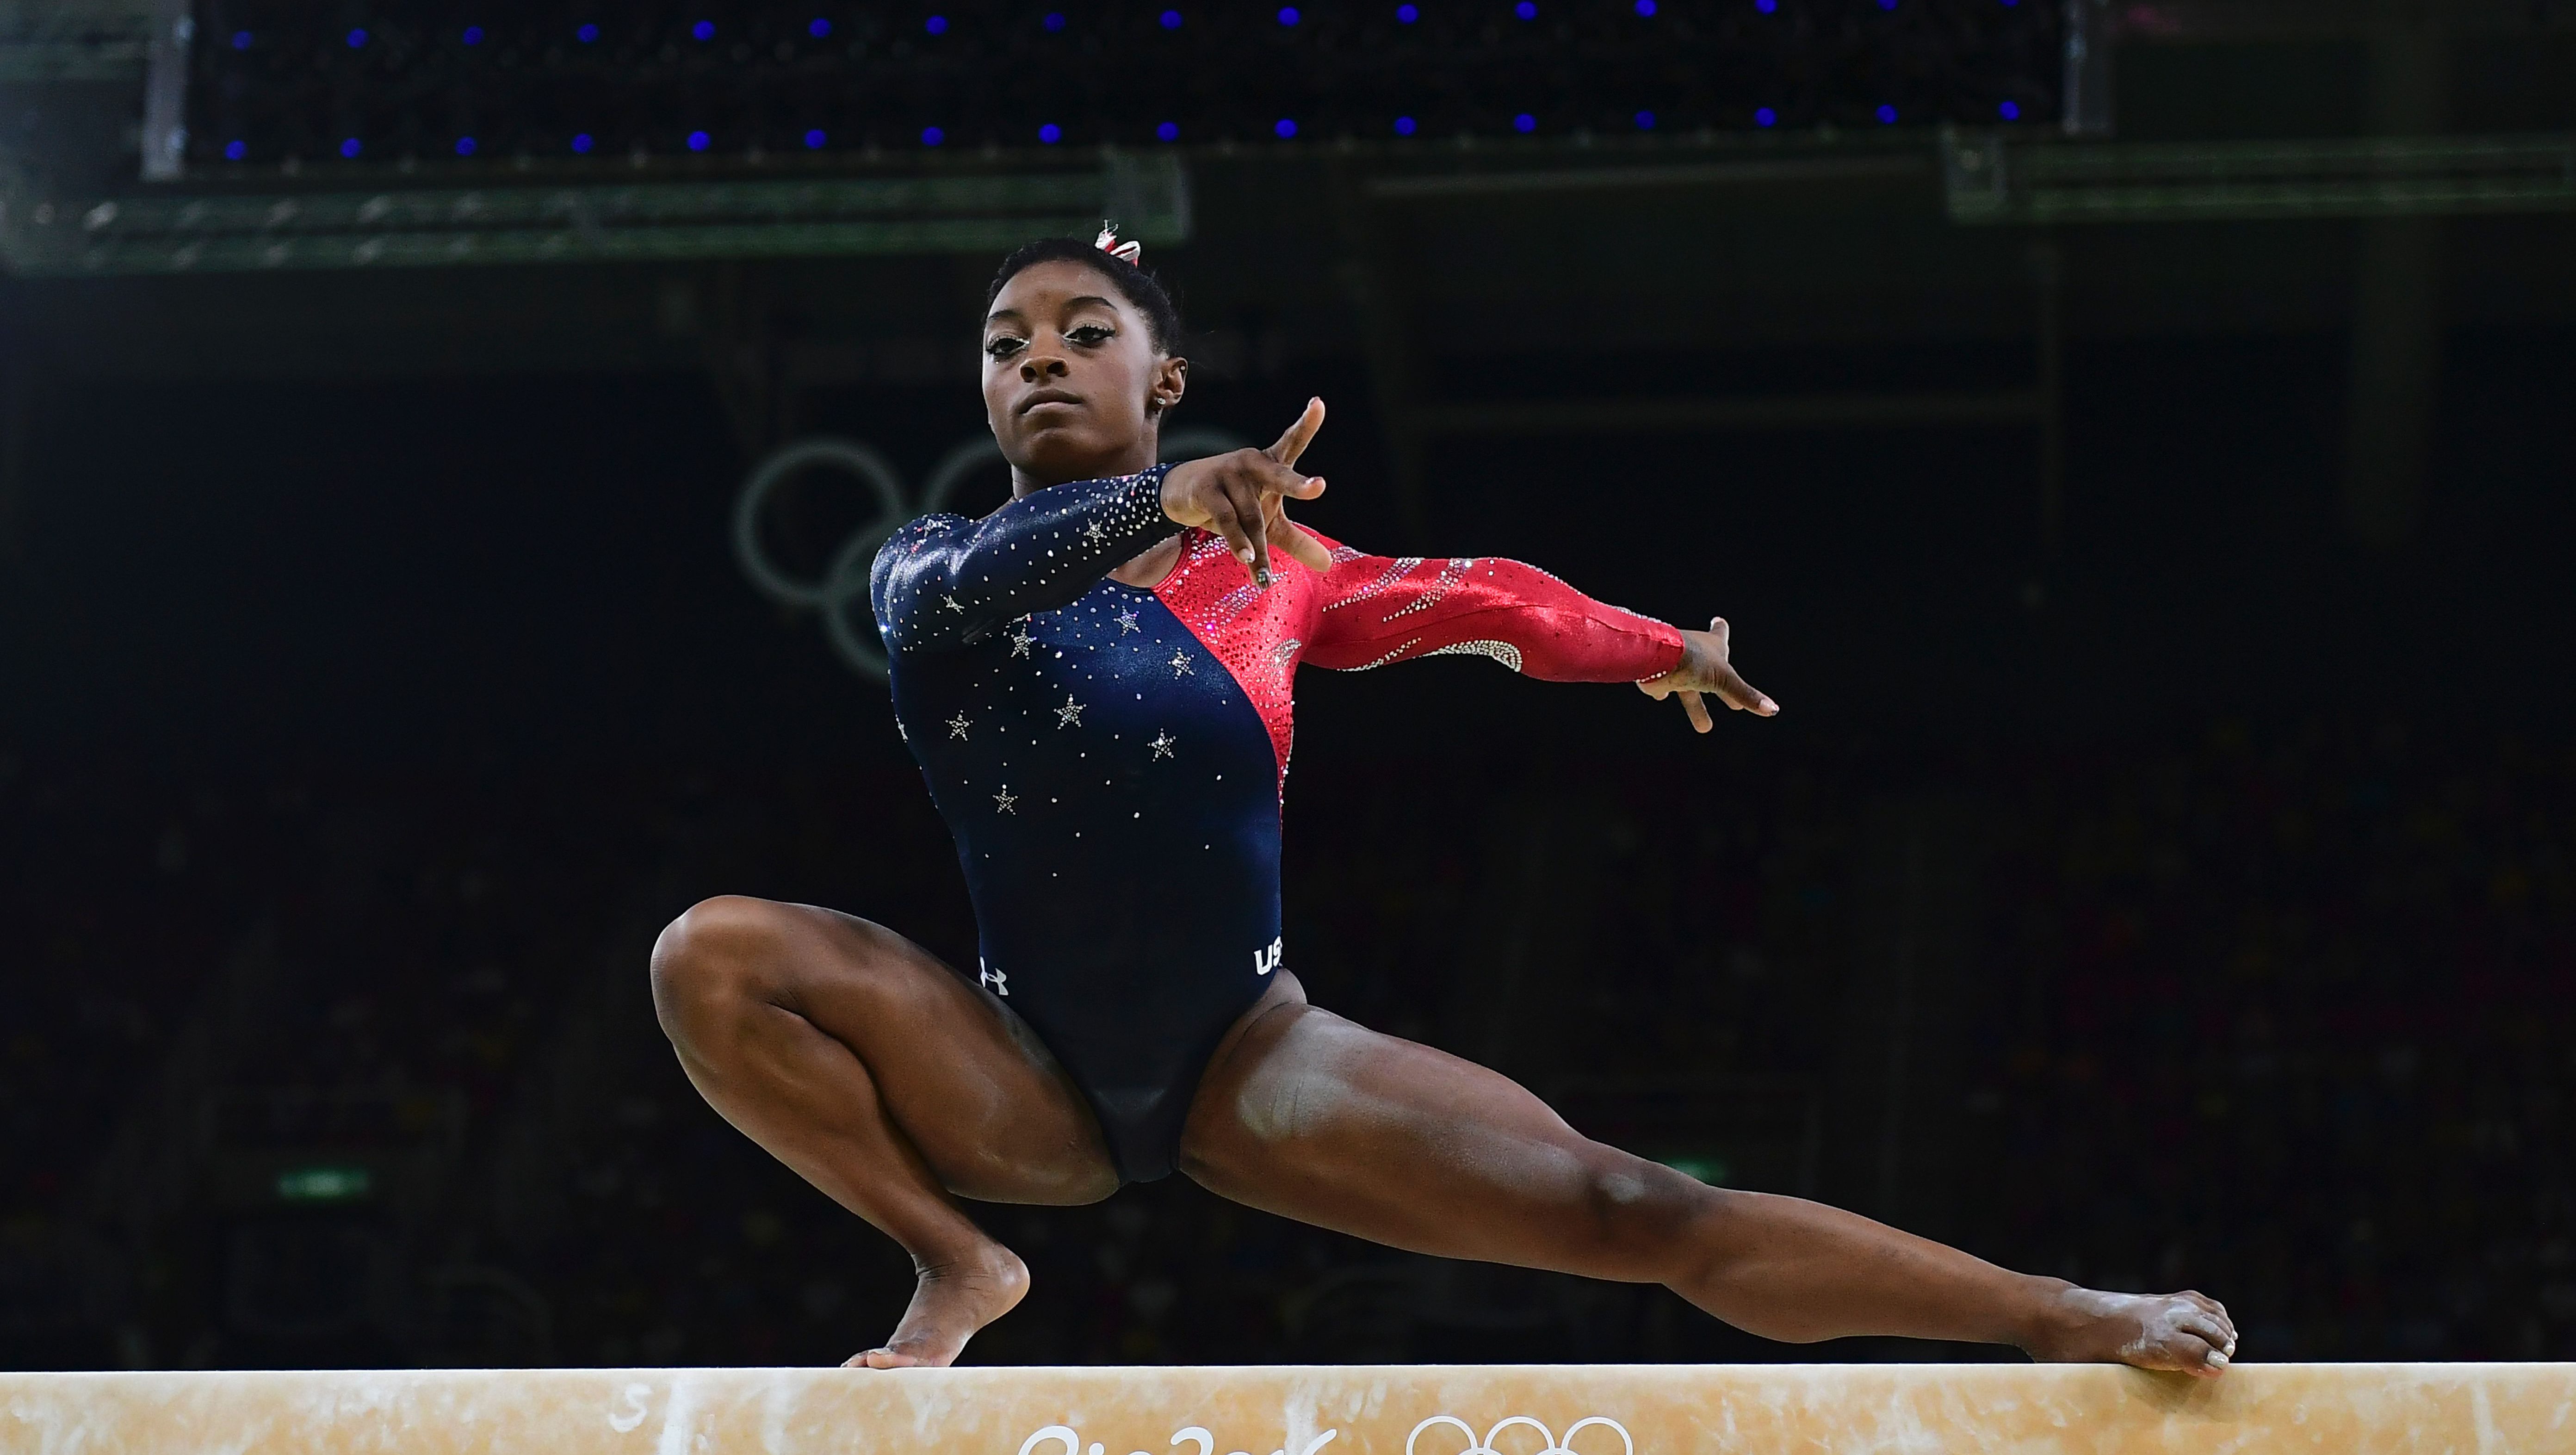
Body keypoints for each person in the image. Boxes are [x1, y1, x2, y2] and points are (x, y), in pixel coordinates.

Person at [650, 227, 2238, 1375]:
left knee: (1635, 1203)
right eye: (1008, 342)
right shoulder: (930, 563)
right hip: (1007, 1068)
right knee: (710, 951)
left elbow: (1483, 597)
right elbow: (969, 585)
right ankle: (954, 1256)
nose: (1041, 358)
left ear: (1168, 373)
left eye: (1082, 330)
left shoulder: (1275, 573)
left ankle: (2058, 1311)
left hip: (1250, 1056)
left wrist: (1650, 647)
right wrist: (1162, 490)